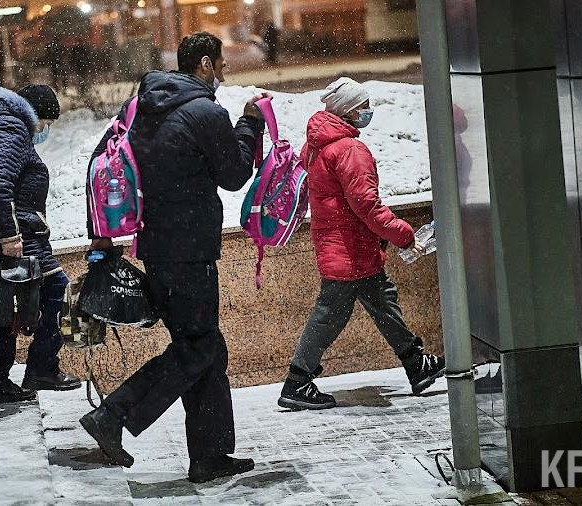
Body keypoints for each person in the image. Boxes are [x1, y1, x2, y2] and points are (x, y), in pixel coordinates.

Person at [79, 32, 266, 483]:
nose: (222, 74)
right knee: (199, 346)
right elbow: (235, 173)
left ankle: (211, 456)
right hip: (189, 249)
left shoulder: (142, 106)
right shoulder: (204, 111)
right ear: (203, 63)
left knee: (205, 347)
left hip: (156, 244)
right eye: (219, 64)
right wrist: (249, 125)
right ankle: (114, 414)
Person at [278, 77, 446, 411]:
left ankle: (416, 364)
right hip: (348, 249)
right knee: (329, 316)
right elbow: (366, 206)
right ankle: (297, 381)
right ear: (351, 110)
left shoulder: (316, 144)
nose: (369, 112)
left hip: (344, 244)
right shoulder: (349, 150)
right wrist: (403, 233)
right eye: (364, 107)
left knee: (383, 301)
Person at [0, 84, 81, 405]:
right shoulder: (11, 128)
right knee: (45, 293)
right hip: (17, 237)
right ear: (33, 114)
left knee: (9, 306)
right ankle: (32, 370)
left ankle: (1, 378)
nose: (45, 131)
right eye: (46, 123)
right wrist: (9, 234)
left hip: (3, 234)